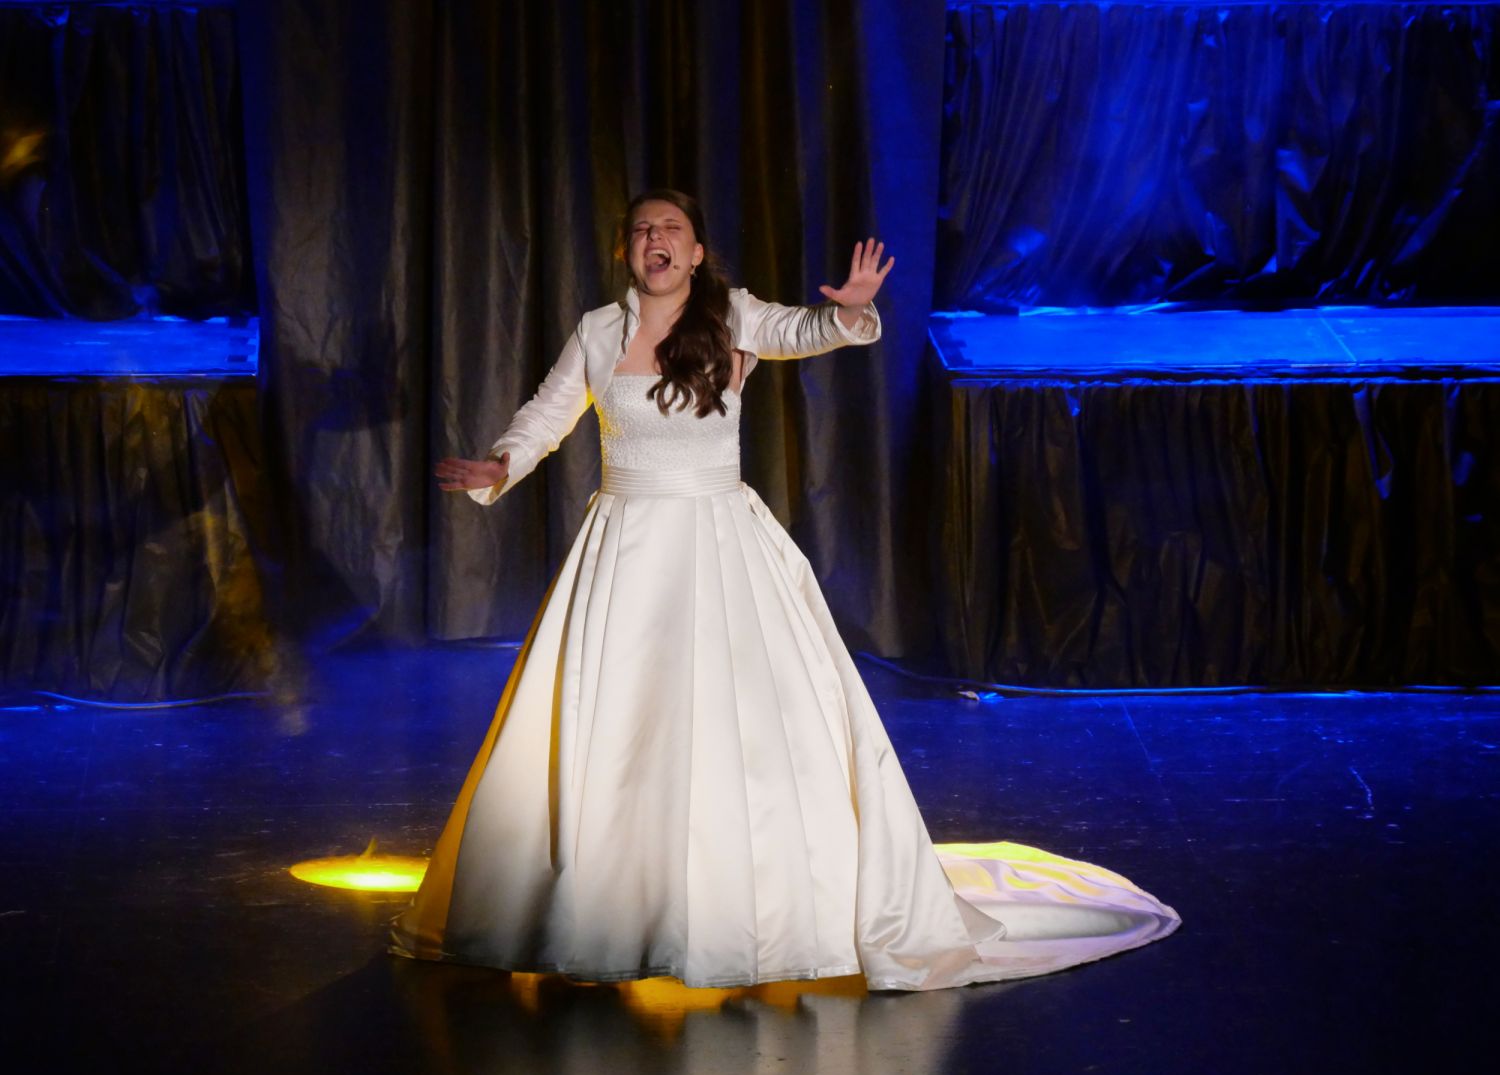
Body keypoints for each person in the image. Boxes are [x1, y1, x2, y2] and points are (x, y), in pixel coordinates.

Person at [390, 189, 1179, 990]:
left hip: (718, 543)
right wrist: (502, 463)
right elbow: (548, 412)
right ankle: (616, 907)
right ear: (626, 249)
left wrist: (849, 312)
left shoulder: (732, 314)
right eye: (641, 229)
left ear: (696, 251)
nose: (655, 239)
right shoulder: (600, 330)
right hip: (623, 549)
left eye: (671, 229)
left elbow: (804, 331)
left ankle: (740, 905)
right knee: (618, 729)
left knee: (736, 725)